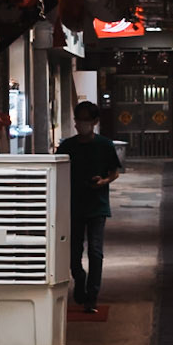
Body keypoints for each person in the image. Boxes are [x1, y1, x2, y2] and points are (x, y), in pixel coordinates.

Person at [57, 101, 121, 312]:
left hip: (97, 206)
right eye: (78, 120)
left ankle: (92, 295)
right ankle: (79, 277)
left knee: (95, 251)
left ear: (94, 122)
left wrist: (103, 182)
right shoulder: (67, 146)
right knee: (73, 252)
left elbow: (114, 172)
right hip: (73, 205)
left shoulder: (104, 145)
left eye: (85, 120)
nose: (80, 124)